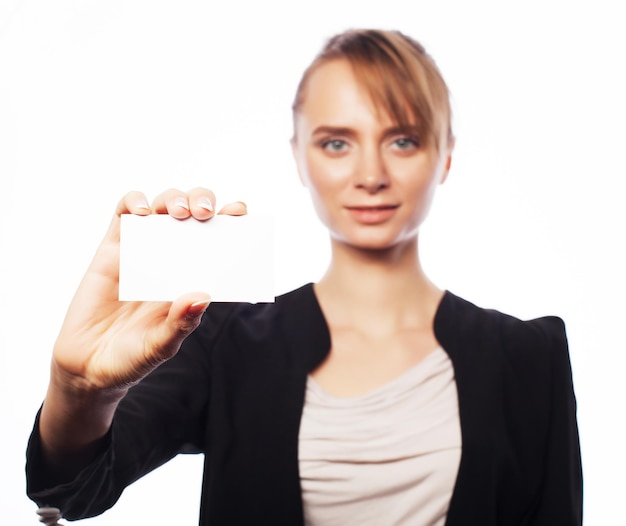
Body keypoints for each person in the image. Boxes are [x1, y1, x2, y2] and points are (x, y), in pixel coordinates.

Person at [26, 29, 583, 525]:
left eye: (404, 139)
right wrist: (78, 388)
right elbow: (75, 491)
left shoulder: (529, 358)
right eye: (337, 142)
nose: (370, 175)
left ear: (445, 156)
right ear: (300, 157)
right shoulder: (221, 338)